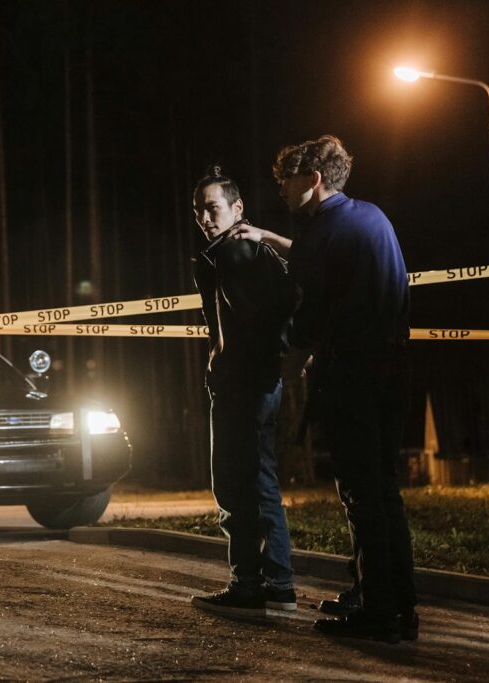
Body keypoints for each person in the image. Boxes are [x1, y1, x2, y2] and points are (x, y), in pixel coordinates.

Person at [234, 136, 417, 643]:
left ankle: (377, 613)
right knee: (384, 488)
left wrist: (286, 372)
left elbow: (307, 320)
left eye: (287, 181)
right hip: (393, 367)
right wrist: (271, 236)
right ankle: (399, 604)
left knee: (360, 494)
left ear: (312, 180)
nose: (283, 191)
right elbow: (323, 260)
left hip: (352, 373)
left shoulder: (320, 232)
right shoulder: (369, 217)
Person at [188, 166, 298, 618]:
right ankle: (278, 583)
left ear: (238, 209)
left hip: (245, 384)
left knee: (234, 483)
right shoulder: (242, 253)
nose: (205, 219)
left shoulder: (236, 254)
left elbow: (254, 321)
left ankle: (249, 584)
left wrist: (226, 365)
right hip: (257, 380)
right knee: (261, 480)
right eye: (198, 212)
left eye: (212, 208)